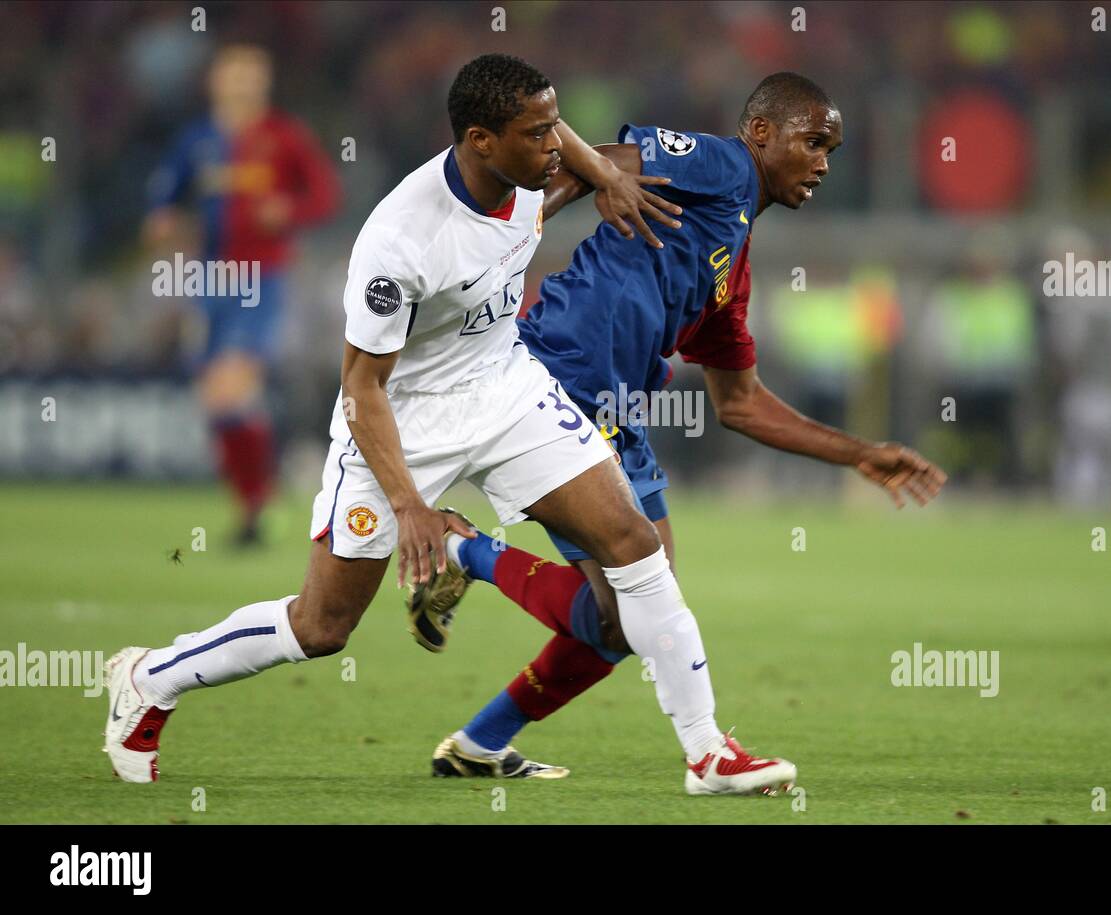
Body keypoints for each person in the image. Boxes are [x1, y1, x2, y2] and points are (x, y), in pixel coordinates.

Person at [104, 54, 799, 797]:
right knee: (323, 625)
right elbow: (361, 388)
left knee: (633, 544)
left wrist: (610, 173)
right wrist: (409, 505)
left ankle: (707, 755)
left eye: (555, 127)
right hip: (404, 422)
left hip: (507, 390)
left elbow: (574, 153)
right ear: (481, 140)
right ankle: (149, 677)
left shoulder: (536, 175)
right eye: (538, 133)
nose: (555, 145)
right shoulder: (401, 242)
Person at [413, 73, 947, 787]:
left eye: (833, 149)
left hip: (614, 411)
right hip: (556, 378)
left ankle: (481, 739)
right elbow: (581, 159)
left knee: (630, 617)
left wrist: (859, 454)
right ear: (761, 134)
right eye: (813, 141)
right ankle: (463, 551)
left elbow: (741, 403)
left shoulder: (733, 267)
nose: (823, 161)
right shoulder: (721, 165)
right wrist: (513, 240)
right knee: (636, 601)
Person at [144, 44, 341, 544]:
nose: (241, 84)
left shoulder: (282, 136)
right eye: (232, 75)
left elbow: (324, 194)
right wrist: (163, 217)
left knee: (231, 386)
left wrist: (288, 211)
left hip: (262, 278)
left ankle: (265, 492)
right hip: (209, 281)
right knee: (218, 402)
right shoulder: (199, 140)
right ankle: (254, 505)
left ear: (264, 83)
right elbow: (166, 192)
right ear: (215, 81)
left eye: (250, 76)